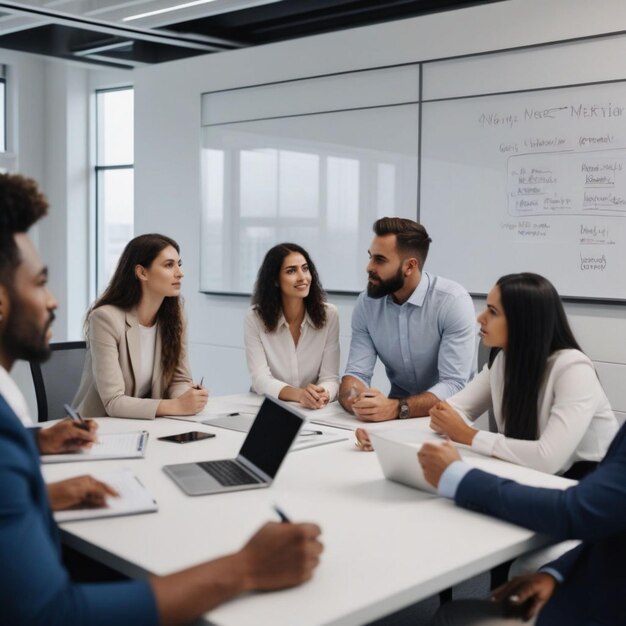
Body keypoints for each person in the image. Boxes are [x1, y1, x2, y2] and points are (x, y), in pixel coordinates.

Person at [0, 172, 323, 625]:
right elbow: (52, 613)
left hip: (149, 440)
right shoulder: (106, 318)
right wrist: (244, 568)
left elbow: (179, 378)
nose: (53, 300)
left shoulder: (175, 312)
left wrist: (184, 398)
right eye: (39, 282)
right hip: (112, 436)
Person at [418, 427, 626, 626]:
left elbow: (576, 510)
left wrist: (460, 476)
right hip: (602, 581)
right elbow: (609, 523)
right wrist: (556, 574)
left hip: (606, 610)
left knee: (451, 616)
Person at [427, 272, 618, 478]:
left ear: (522, 321)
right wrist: (449, 420)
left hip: (592, 480)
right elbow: (453, 409)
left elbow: (548, 458)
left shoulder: (573, 368)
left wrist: (467, 434)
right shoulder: (502, 360)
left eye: (492, 311)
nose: (480, 318)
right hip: (534, 474)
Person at [340, 217, 476, 426]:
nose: (369, 267)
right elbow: (356, 374)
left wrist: (396, 408)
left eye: (380, 260)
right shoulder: (366, 304)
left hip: (446, 418)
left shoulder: (452, 302)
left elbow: (454, 384)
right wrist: (357, 401)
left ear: (409, 266)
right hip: (394, 418)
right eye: (370, 257)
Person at [73, 233, 208, 419]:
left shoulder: (176, 318)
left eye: (179, 264)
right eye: (169, 265)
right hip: (100, 426)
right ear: (142, 272)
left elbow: (179, 379)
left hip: (146, 425)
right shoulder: (105, 319)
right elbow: (113, 402)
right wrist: (175, 406)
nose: (180, 272)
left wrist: (189, 398)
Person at [245, 243, 339, 409]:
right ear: (274, 279)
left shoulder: (329, 315)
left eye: (305, 268)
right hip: (268, 407)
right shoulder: (254, 318)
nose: (303, 277)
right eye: (291, 271)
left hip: (313, 410)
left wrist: (323, 394)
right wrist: (300, 394)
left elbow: (330, 378)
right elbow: (260, 379)